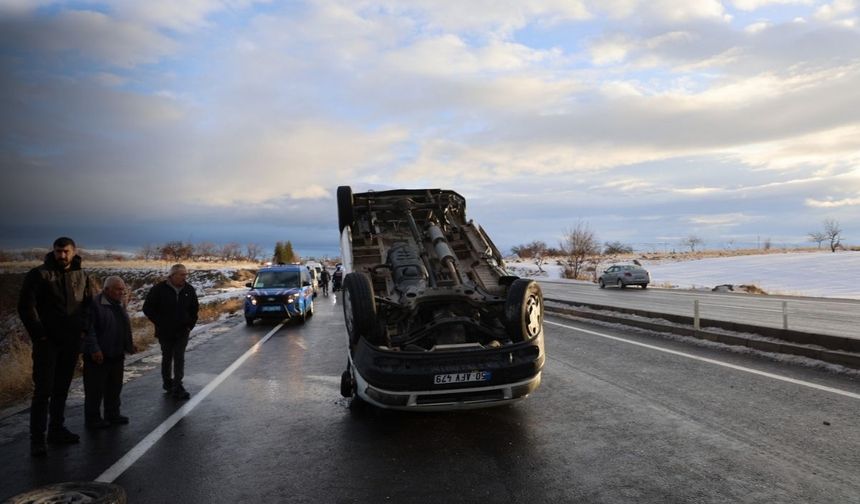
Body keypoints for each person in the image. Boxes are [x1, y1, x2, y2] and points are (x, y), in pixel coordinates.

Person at [18, 237, 94, 457]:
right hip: (47, 343)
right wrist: (40, 335)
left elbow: (88, 305)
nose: (62, 255)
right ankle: (37, 439)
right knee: (43, 391)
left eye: (66, 251)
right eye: (58, 251)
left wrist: (83, 330)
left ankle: (56, 430)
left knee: (62, 388)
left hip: (71, 341)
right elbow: (26, 307)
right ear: (53, 251)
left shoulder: (81, 275)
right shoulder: (39, 274)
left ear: (74, 251)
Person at [82, 276, 138, 429]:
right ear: (106, 289)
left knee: (114, 387)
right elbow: (89, 330)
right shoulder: (94, 304)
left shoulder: (119, 304)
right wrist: (94, 349)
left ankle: (112, 414)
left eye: (122, 289)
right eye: (118, 289)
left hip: (116, 353)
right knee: (95, 390)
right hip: (99, 355)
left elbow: (123, 326)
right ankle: (93, 419)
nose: (121, 292)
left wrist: (129, 345)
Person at [143, 264, 199, 400]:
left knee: (179, 357)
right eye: (181, 275)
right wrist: (160, 322)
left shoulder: (189, 289)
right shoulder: (159, 289)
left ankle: (177, 386)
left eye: (186, 275)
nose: (184, 277)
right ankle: (167, 383)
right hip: (165, 331)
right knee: (167, 357)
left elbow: (194, 308)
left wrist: (190, 325)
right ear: (172, 275)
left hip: (182, 330)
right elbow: (147, 308)